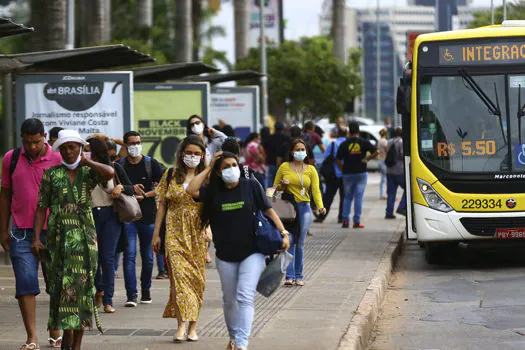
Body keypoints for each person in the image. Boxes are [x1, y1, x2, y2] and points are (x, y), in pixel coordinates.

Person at [187, 151, 290, 350]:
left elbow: (269, 210)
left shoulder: (251, 186)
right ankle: (233, 337)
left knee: (245, 296)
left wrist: (283, 232)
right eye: (225, 167)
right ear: (218, 172)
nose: (232, 169)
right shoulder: (213, 192)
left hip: (252, 251)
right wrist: (209, 167)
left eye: (234, 165)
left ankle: (241, 344)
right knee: (229, 299)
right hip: (225, 255)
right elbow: (191, 190)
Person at [32, 129, 114, 350]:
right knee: (60, 291)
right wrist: (36, 238)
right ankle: (65, 340)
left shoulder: (88, 172)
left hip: (85, 240)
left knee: (82, 292)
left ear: (80, 148)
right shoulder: (51, 174)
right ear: (60, 150)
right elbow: (41, 208)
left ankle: (75, 345)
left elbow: (109, 172)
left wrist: (88, 162)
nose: (69, 151)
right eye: (65, 148)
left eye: (73, 147)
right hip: (57, 240)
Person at [0, 118, 62, 350]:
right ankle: (32, 336)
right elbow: (5, 194)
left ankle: (55, 328)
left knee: (55, 282)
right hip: (20, 232)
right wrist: (2, 230)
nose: (32, 147)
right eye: (27, 143)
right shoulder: (11, 158)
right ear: (21, 139)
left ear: (44, 137)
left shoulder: (57, 158)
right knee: (25, 284)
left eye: (36, 142)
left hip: (52, 231)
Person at [151, 135, 208, 342]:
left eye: (196, 153)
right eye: (188, 153)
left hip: (197, 233)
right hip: (174, 231)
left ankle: (194, 326)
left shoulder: (207, 177)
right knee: (178, 280)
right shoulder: (170, 174)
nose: (192, 157)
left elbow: (212, 206)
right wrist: (156, 233)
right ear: (181, 154)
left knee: (196, 280)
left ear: (202, 156)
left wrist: (209, 229)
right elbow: (162, 205)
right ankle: (181, 325)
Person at [88, 137, 134, 314]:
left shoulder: (114, 168)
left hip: (110, 215)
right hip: (90, 215)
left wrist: (120, 188)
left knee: (107, 258)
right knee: (93, 258)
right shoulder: (82, 169)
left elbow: (130, 188)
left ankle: (108, 299)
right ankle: (98, 288)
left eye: (88, 150)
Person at [119, 131, 163, 307]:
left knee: (148, 256)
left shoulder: (151, 163)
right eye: (131, 143)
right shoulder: (119, 165)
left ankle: (146, 291)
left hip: (148, 216)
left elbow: (162, 187)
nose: (135, 146)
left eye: (138, 142)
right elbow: (115, 187)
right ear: (125, 146)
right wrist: (129, 189)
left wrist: (146, 195)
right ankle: (131, 295)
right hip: (128, 216)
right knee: (129, 255)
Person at [274, 139, 325, 286]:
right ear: (291, 152)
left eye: (303, 150)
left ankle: (299, 275)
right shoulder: (284, 167)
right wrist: (282, 186)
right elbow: (274, 192)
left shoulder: (310, 169)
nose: (300, 152)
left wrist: (321, 206)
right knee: (290, 241)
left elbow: (316, 190)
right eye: (297, 149)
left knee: (300, 242)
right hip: (289, 209)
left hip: (304, 208)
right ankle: (289, 276)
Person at [336, 122, 378, 229]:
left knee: (347, 198)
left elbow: (338, 160)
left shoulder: (344, 144)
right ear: (358, 131)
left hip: (347, 174)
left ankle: (345, 221)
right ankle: (356, 221)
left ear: (349, 132)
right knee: (358, 198)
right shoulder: (364, 142)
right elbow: (376, 152)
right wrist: (367, 159)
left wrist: (342, 169)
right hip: (361, 173)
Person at [315, 127, 347, 223]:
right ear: (346, 134)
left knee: (328, 196)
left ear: (337, 134)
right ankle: (342, 217)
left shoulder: (333, 144)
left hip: (333, 175)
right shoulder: (348, 144)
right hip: (345, 174)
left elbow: (325, 156)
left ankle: (321, 216)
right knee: (344, 197)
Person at [385, 127, 407, 219]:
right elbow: (402, 154)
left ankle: (389, 213)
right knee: (408, 189)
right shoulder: (401, 142)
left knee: (391, 193)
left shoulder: (389, 141)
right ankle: (402, 207)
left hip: (389, 170)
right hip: (399, 171)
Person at [262, 122, 291, 188]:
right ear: (283, 129)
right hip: (283, 164)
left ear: (274, 128)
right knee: (282, 183)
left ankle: (270, 197)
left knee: (271, 182)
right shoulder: (287, 138)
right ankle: (280, 197)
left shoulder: (269, 138)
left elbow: (264, 148)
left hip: (271, 162)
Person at [378, 128, 388, 200]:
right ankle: (386, 194)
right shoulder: (385, 141)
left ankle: (382, 194)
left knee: (382, 179)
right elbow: (386, 149)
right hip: (384, 160)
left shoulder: (379, 141)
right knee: (386, 179)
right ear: (385, 134)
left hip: (380, 160)